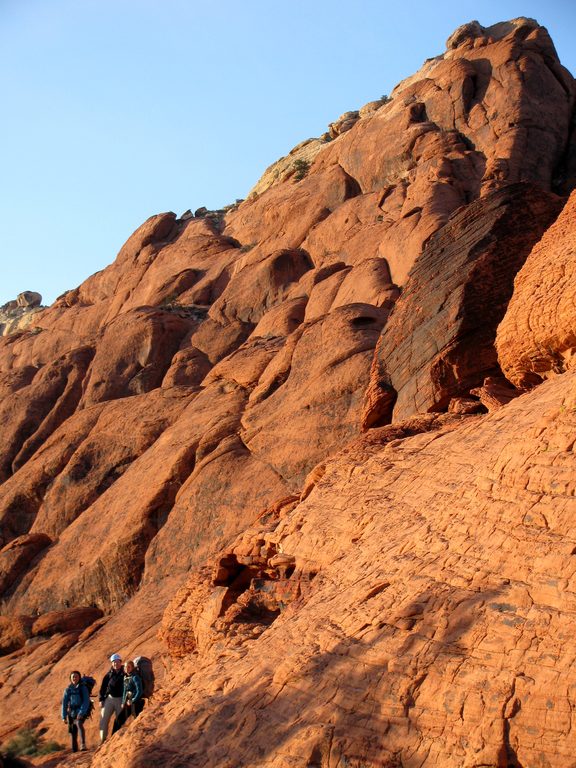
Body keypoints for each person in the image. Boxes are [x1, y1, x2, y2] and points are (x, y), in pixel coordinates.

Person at [98, 653, 125, 743]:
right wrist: (101, 699)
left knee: (119, 720)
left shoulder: (125, 672)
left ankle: (117, 740)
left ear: (120, 662)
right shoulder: (108, 674)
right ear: (112, 663)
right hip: (109, 699)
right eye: (114, 662)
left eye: (117, 662)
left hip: (121, 699)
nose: (115, 664)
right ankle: (102, 740)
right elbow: (103, 688)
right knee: (104, 719)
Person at [112, 659, 143, 733]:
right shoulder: (126, 677)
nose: (126, 669)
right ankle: (112, 739)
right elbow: (124, 691)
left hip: (136, 702)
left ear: (132, 668)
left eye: (129, 667)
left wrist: (132, 700)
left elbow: (140, 691)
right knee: (118, 720)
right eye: (125, 667)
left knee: (137, 721)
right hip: (128, 702)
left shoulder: (135, 677)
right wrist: (123, 702)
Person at [61, 670, 90, 752]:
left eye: (76, 676)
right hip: (71, 712)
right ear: (70, 678)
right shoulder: (68, 690)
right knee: (73, 731)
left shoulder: (83, 688)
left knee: (79, 723)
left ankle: (83, 745)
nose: (74, 678)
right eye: (73, 676)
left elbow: (86, 701)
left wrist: (81, 712)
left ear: (79, 678)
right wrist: (64, 716)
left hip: (81, 710)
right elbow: (64, 703)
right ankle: (74, 749)